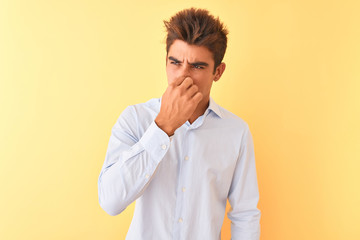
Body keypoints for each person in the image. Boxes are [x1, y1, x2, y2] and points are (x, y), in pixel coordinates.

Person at [98, 8, 261, 240]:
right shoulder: (135, 119)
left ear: (218, 71)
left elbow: (245, 215)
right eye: (175, 62)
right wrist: (162, 128)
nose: (183, 76)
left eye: (197, 66)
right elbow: (110, 201)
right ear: (165, 62)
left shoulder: (237, 132)